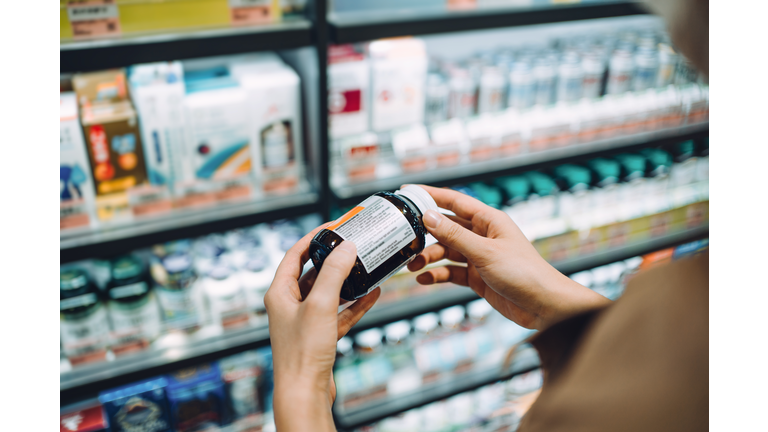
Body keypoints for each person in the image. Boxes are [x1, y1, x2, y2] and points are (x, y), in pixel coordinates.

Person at [264, 1, 708, 430]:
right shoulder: (685, 319)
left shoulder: (683, 331)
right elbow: (648, 352)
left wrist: (302, 383)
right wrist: (554, 301)